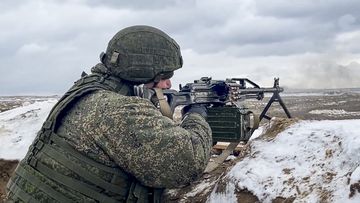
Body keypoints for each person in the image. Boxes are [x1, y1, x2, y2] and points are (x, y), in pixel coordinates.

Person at [6, 25, 212, 202]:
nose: (169, 84)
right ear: (141, 71)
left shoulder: (88, 88)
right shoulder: (118, 110)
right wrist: (196, 115)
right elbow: (187, 164)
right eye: (165, 76)